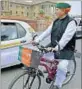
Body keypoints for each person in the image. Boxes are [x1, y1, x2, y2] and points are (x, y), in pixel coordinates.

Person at [33, 2, 77, 89]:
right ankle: (49, 69)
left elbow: (66, 38)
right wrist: (37, 40)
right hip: (54, 45)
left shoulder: (71, 22)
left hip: (66, 48)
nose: (55, 11)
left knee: (61, 66)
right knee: (41, 55)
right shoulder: (56, 21)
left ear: (64, 10)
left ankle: (58, 85)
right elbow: (47, 32)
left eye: (57, 9)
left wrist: (56, 48)